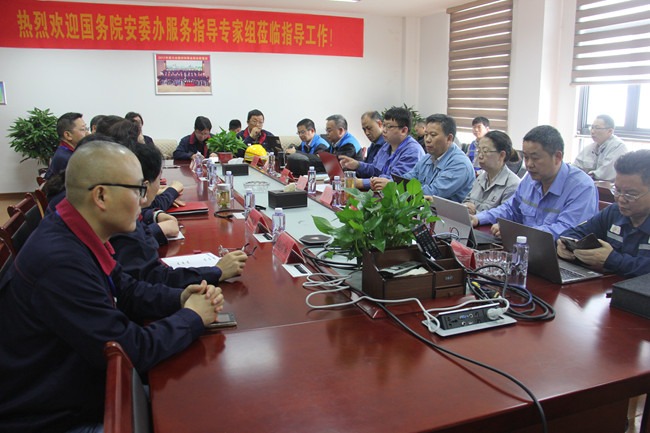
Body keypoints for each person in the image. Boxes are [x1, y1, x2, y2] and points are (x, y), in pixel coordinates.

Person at [0, 141, 224, 433]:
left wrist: (180, 297)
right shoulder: (60, 261)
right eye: (137, 190)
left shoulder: (74, 229)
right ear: (101, 196)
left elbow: (127, 289)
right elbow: (129, 351)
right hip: (55, 417)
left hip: (81, 389)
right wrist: (191, 317)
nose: (143, 201)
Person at [111, 141, 248, 286]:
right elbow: (155, 278)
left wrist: (154, 215)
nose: (144, 198)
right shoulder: (122, 225)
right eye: (159, 180)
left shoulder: (124, 215)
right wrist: (217, 271)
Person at [471, 125, 599, 240]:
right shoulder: (530, 179)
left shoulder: (582, 187)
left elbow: (567, 231)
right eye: (526, 158)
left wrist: (520, 233)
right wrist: (478, 218)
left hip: (559, 255)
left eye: (535, 158)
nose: (529, 164)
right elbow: (510, 209)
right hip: (526, 249)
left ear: (557, 157)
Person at [557, 150, 650, 277]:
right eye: (617, 190)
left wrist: (612, 259)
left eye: (631, 194)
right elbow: (576, 233)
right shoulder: (614, 212)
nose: (621, 199)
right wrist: (566, 246)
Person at [339, 106, 424, 191]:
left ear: (403, 131)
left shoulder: (413, 151)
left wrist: (362, 183)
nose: (384, 130)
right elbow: (375, 169)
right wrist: (358, 165)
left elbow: (395, 182)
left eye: (389, 127)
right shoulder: (387, 145)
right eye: (384, 126)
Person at [402, 114, 474, 202]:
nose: (427, 140)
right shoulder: (428, 157)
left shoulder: (460, 164)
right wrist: (392, 183)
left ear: (449, 138)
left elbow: (432, 193)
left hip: (443, 211)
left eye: (433, 135)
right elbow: (409, 177)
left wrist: (400, 189)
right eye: (426, 135)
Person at [463, 130, 521, 214]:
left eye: (485, 151)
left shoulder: (513, 185)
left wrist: (476, 214)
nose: (480, 156)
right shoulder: (480, 179)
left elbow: (505, 218)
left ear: (501, 155)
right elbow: (466, 201)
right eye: (479, 151)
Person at [286, 114, 362, 175]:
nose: (327, 134)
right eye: (326, 130)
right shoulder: (335, 142)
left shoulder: (349, 145)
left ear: (340, 130)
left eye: (329, 131)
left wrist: (298, 153)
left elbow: (330, 164)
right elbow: (323, 157)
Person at [573, 114, 627, 182]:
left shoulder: (618, 147)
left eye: (597, 128)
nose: (592, 131)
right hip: (588, 183)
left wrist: (584, 177)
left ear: (610, 131)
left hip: (606, 187)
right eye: (592, 127)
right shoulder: (589, 147)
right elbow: (576, 167)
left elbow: (605, 174)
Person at [44, 112, 89, 180]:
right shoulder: (67, 158)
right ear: (68, 135)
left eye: (86, 128)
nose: (87, 133)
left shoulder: (65, 151)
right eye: (83, 130)